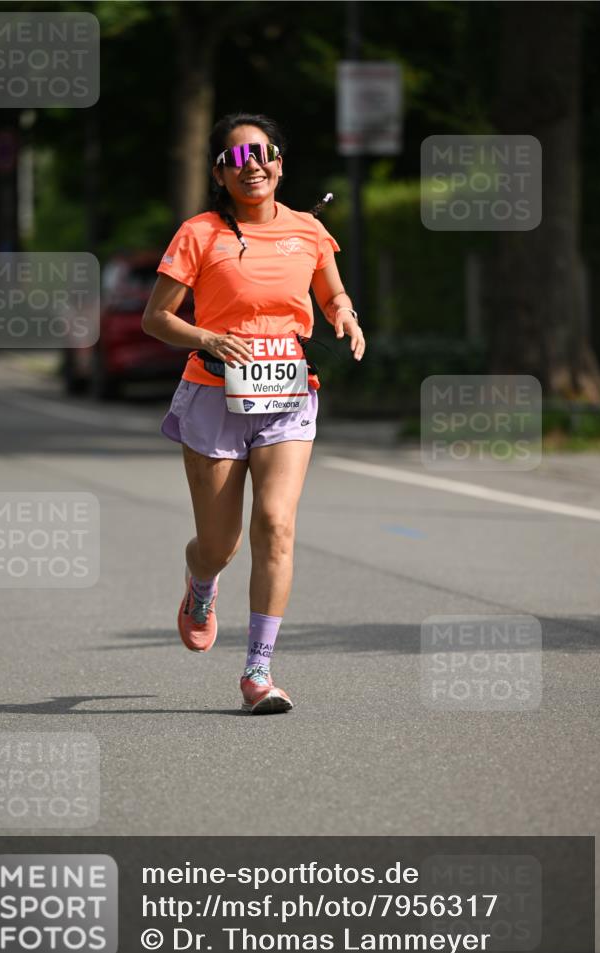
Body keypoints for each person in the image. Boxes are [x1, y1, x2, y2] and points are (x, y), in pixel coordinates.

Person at [142, 112, 365, 714]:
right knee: (220, 544)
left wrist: (344, 312)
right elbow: (156, 319)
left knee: (277, 523)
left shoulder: (309, 231)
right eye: (238, 158)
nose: (254, 165)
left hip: (287, 395)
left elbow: (331, 291)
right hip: (213, 395)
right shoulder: (199, 234)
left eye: (263, 153)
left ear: (280, 163)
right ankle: (201, 584)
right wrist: (207, 339)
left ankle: (258, 672)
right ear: (220, 172)